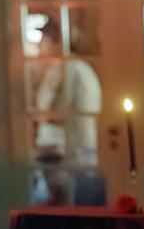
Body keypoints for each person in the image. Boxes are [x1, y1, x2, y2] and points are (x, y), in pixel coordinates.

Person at [31, 19, 106, 206]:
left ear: (55, 42)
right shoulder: (83, 69)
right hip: (84, 155)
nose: (40, 45)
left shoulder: (61, 71)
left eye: (43, 39)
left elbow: (44, 112)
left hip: (60, 156)